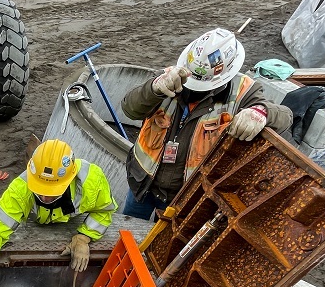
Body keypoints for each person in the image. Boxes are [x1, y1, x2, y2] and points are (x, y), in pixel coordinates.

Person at [120, 28, 292, 221]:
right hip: (143, 185)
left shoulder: (242, 91)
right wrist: (153, 88)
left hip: (187, 199)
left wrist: (261, 112)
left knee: (161, 246)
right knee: (127, 232)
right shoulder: (168, 78)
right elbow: (130, 109)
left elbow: (285, 117)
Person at [0, 140, 117, 281]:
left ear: (70, 180)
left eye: (52, 191)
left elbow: (104, 211)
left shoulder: (92, 181)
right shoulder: (21, 189)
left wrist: (83, 238)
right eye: (39, 189)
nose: (45, 198)